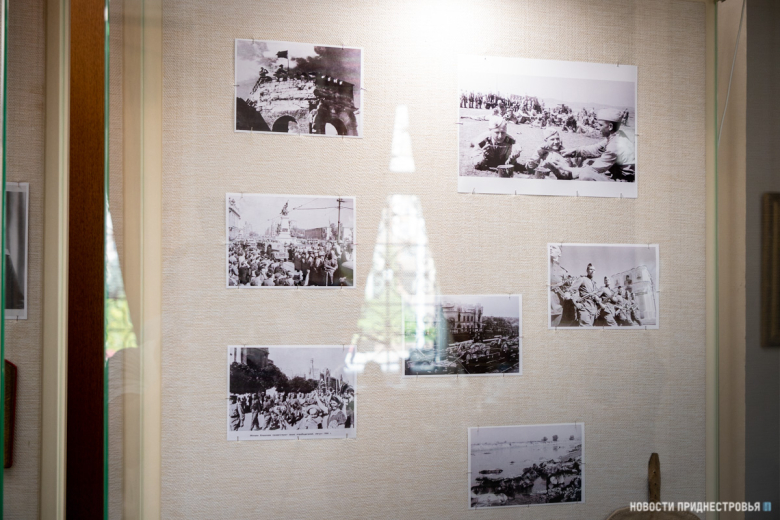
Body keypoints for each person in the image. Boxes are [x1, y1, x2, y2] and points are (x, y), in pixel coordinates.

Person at [561, 108, 636, 182]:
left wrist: (566, 168)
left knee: (585, 174)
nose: (597, 127)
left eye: (600, 125)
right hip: (619, 173)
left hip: (625, 180)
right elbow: (596, 149)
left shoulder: (615, 145)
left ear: (610, 126)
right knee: (587, 161)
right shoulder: (616, 135)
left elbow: (594, 168)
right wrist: (575, 151)